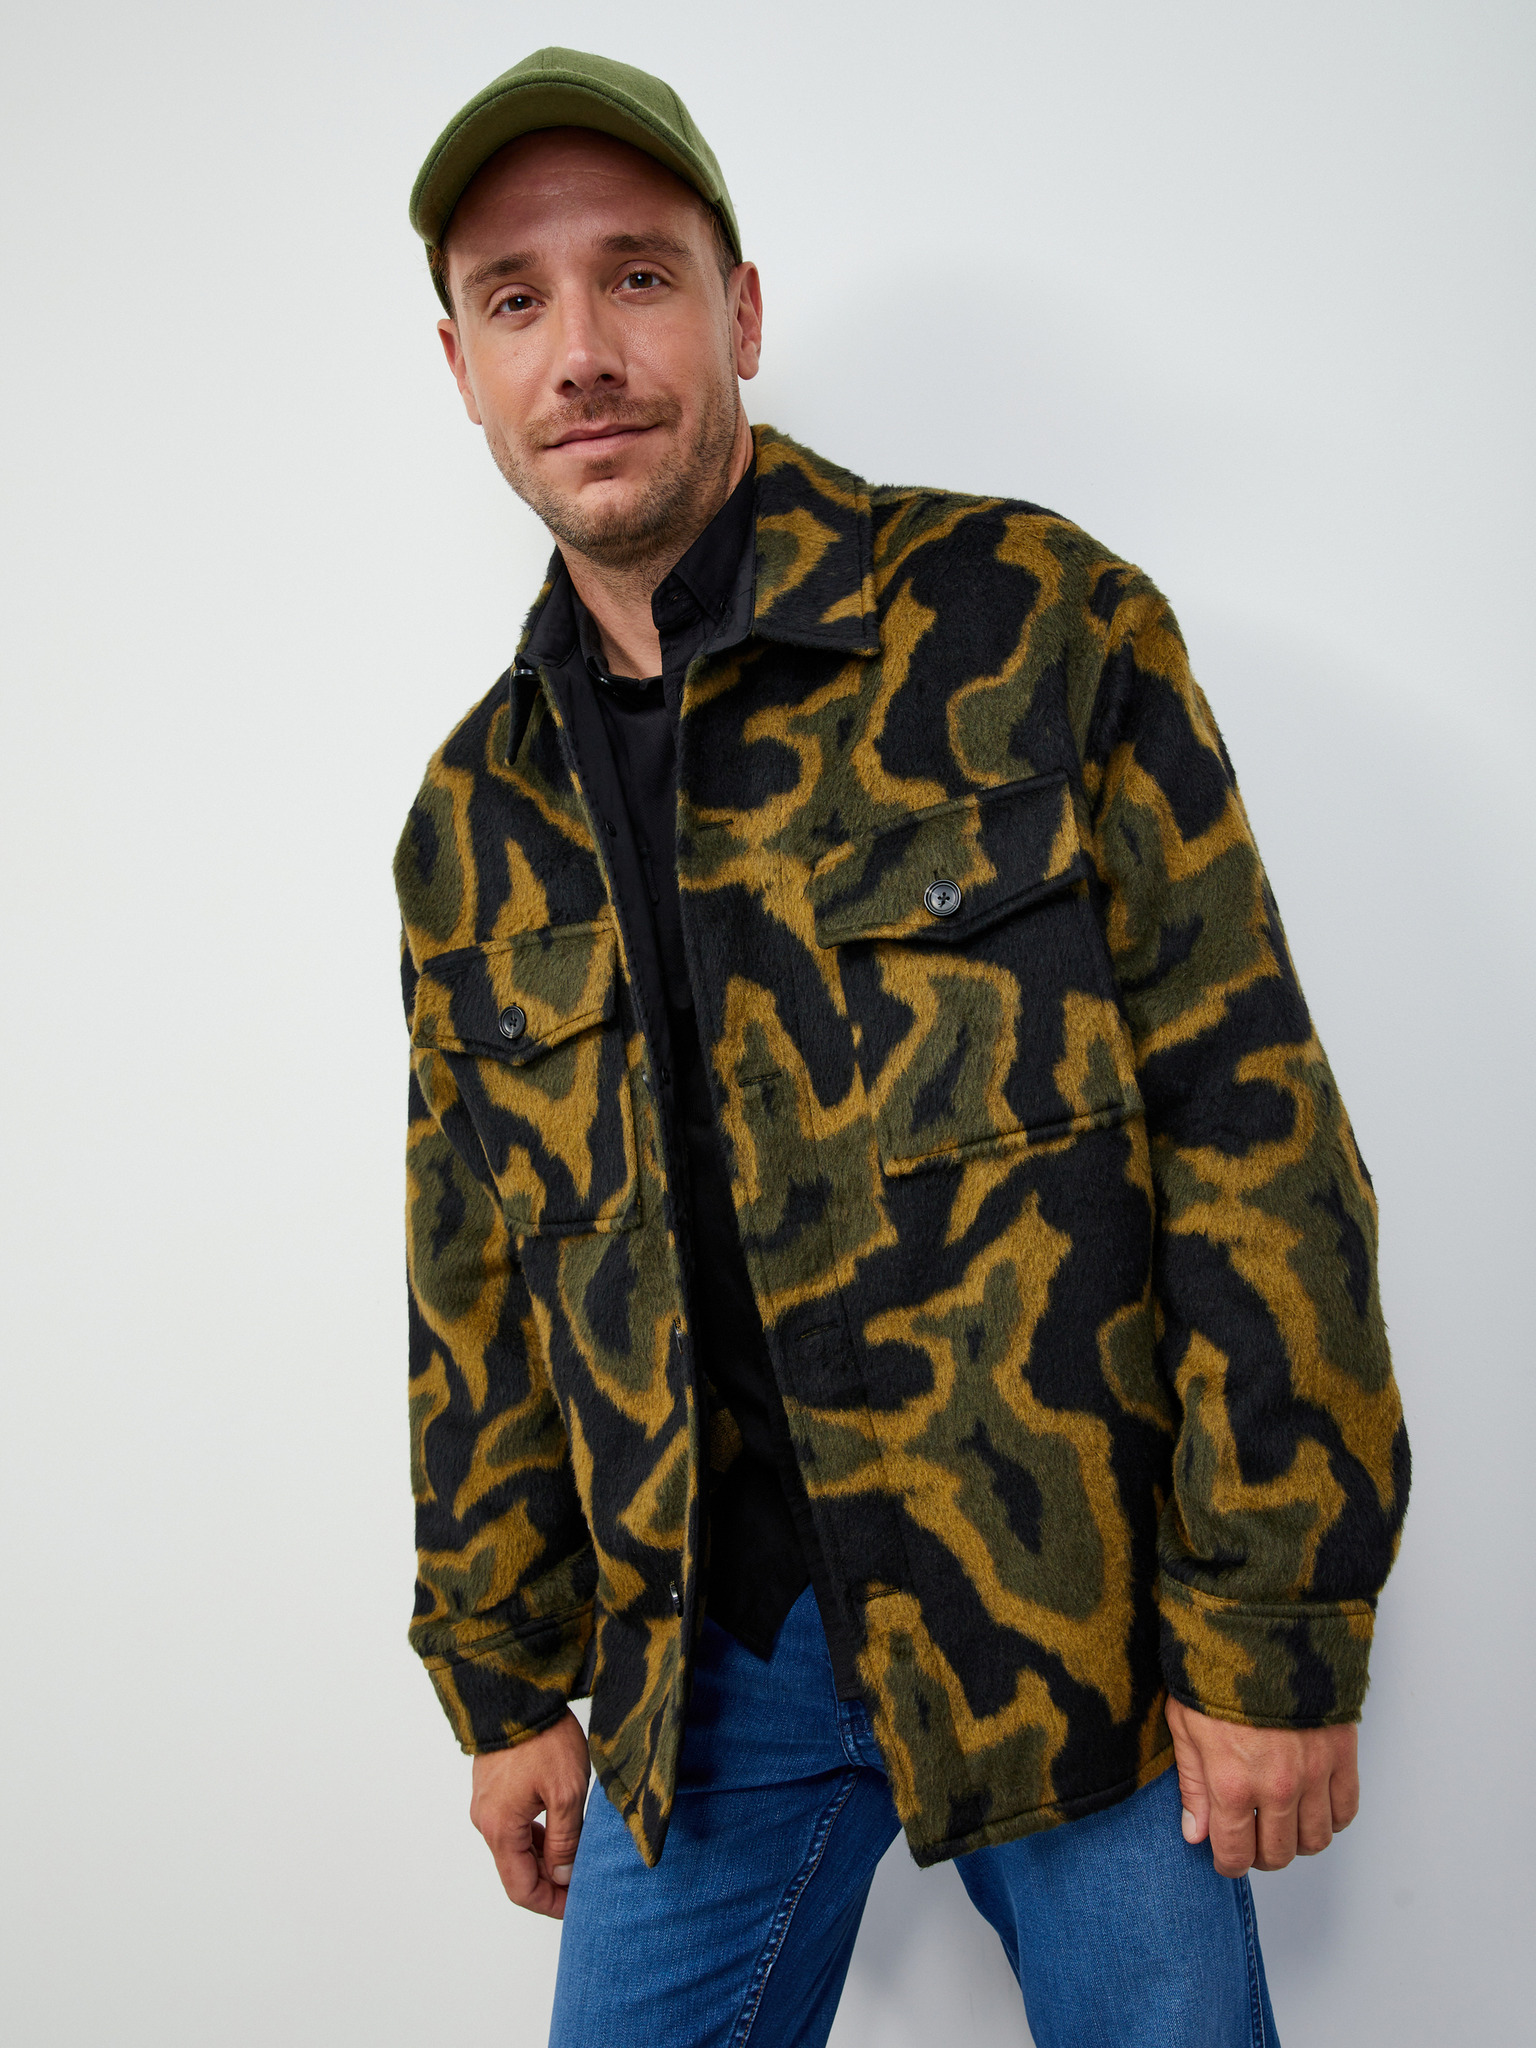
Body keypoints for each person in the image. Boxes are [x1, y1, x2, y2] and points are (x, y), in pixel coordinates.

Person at [394, 47, 1409, 2047]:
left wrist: (1277, 1623)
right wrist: (505, 1676)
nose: (581, 351)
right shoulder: (471, 816)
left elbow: (1253, 1127)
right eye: (516, 300)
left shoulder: (1035, 621)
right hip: (716, 1659)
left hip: (1074, 1627)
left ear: (743, 310)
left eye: (638, 276)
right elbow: (475, 1283)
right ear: (462, 365)